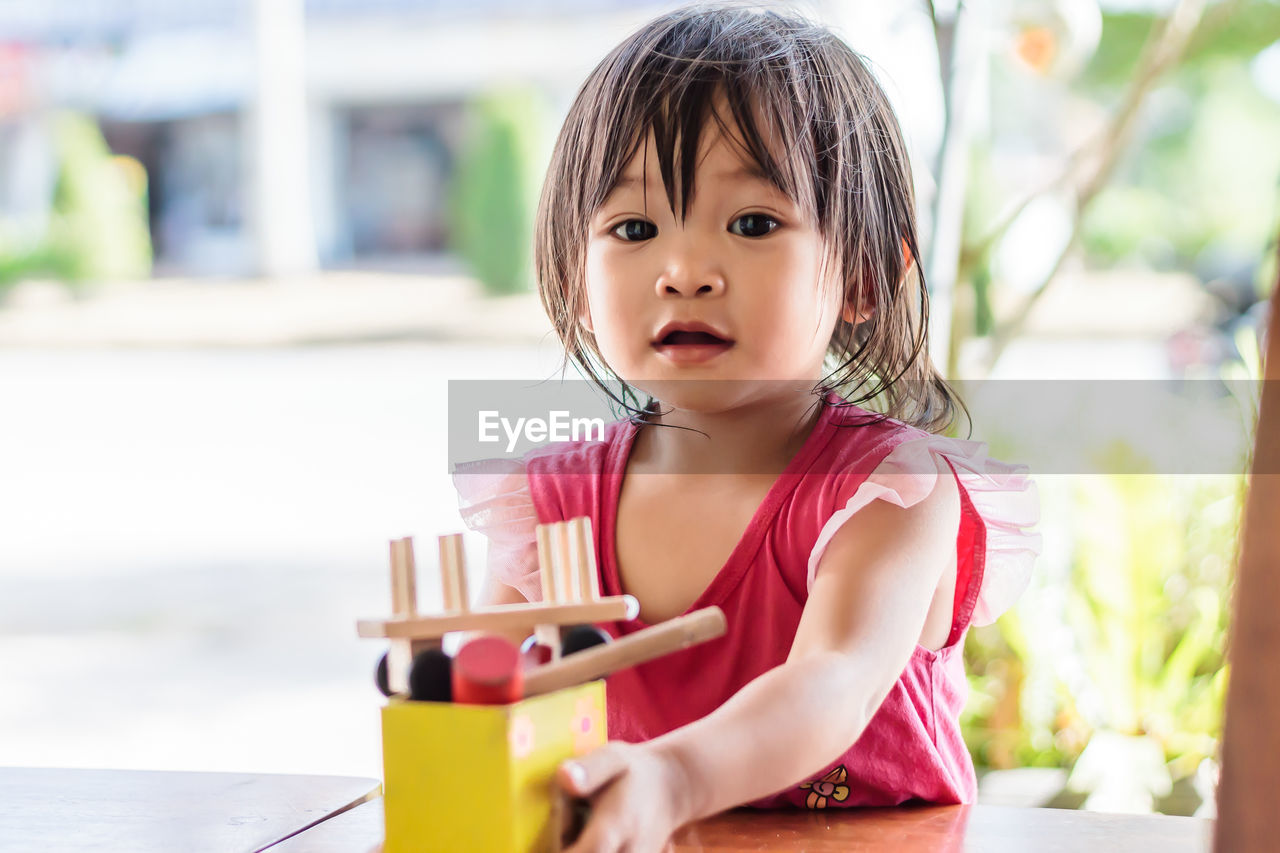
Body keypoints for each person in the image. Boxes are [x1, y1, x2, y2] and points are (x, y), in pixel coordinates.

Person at [452, 5, 1041, 851]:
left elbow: (831, 678)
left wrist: (676, 777)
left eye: (754, 224)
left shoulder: (889, 490)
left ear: (863, 279)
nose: (684, 271)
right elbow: (481, 696)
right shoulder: (549, 506)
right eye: (634, 228)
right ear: (578, 281)